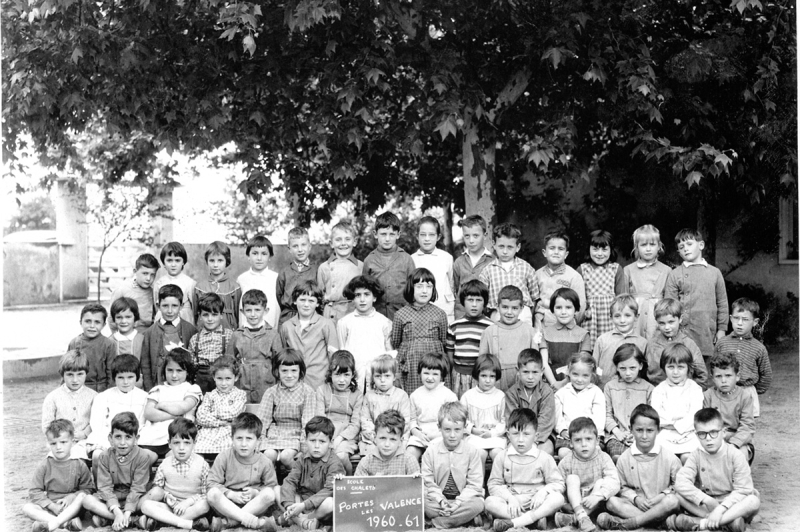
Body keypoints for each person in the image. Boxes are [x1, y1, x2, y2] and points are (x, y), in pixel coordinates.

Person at [672, 408, 761, 532]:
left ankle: (703, 523)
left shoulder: (735, 454)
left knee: (753, 500)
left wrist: (721, 508)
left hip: (731, 504)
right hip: (708, 504)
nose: (708, 438)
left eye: (713, 432)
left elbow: (743, 489)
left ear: (723, 432)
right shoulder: (696, 455)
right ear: (696, 435)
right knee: (678, 495)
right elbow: (681, 482)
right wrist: (705, 499)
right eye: (702, 434)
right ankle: (729, 523)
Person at [598, 404, 682, 530]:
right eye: (639, 430)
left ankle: (629, 523)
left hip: (662, 505)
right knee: (612, 502)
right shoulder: (623, 459)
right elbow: (621, 487)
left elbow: (679, 486)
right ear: (630, 429)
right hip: (636, 506)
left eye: (649, 430)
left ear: (658, 430)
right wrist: (635, 498)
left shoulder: (670, 458)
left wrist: (661, 496)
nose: (644, 436)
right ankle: (659, 524)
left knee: (672, 500)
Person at [485, 408, 566, 532]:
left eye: (526, 434)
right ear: (508, 435)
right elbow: (494, 484)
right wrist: (510, 498)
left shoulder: (544, 457)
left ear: (536, 436)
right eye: (516, 433)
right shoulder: (502, 457)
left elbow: (558, 483)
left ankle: (516, 522)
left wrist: (543, 492)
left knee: (558, 498)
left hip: (536, 503)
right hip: (512, 503)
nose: (521, 439)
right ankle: (533, 520)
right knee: (490, 502)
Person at [81, 412, 158, 529]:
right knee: (87, 500)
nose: (122, 443)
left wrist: (127, 511)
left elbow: (138, 488)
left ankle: (112, 518)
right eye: (118, 437)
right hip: (113, 500)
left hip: (136, 500)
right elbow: (105, 487)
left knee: (156, 493)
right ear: (110, 438)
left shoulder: (142, 457)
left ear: (136, 439)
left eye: (128, 437)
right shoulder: (104, 456)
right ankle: (131, 521)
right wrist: (117, 511)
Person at [664, 228, 729, 361]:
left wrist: (722, 329)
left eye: (689, 244)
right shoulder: (675, 274)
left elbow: (722, 303)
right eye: (681, 247)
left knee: (706, 371)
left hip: (707, 330)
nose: (685, 249)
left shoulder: (714, 273)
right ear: (678, 252)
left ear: (701, 245)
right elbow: (670, 306)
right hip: (683, 332)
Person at [206, 413, 279, 531]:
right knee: (212, 493)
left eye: (249, 438)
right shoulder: (224, 457)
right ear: (232, 438)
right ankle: (257, 523)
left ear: (258, 441)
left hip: (254, 506)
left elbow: (271, 486)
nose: (244, 444)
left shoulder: (265, 461)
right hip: (227, 506)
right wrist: (230, 494)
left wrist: (255, 492)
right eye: (239, 438)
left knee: (269, 494)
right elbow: (211, 483)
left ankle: (228, 522)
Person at [421, 402, 486, 529]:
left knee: (479, 504)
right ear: (439, 427)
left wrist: (458, 503)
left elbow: (475, 484)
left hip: (463, 501)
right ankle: (462, 519)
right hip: (437, 502)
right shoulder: (431, 451)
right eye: (447, 429)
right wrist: (441, 501)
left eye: (457, 430)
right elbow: (427, 483)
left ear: (465, 428)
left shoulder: (472, 451)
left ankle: (437, 522)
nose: (452, 435)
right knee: (422, 502)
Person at [139, 418, 211, 530]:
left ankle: (163, 521)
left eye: (187, 443)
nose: (181, 448)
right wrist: (167, 497)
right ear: (169, 444)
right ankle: (187, 523)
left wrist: (188, 502)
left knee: (205, 505)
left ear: (194, 444)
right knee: (146, 505)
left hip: (192, 507)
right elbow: (158, 489)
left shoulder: (202, 464)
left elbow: (205, 493)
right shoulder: (164, 464)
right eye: (176, 443)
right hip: (170, 507)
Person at [275, 416, 345, 530]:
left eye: (322, 441)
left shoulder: (335, 463)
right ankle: (301, 521)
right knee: (277, 489)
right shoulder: (303, 458)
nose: (316, 446)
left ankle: (297, 519)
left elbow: (329, 490)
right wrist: (289, 505)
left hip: (319, 508)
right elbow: (290, 480)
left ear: (331, 443)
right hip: (301, 502)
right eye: (312, 441)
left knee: (330, 502)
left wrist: (304, 506)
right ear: (306, 440)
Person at [23, 419, 94, 532]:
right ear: (48, 443)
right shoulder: (45, 465)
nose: (58, 447)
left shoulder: (79, 464)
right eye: (53, 443)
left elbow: (88, 489)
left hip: (72, 508)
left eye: (63, 442)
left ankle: (52, 524)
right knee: (27, 508)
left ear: (72, 441)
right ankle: (64, 524)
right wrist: (51, 506)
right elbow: (34, 491)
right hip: (51, 507)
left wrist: (73, 496)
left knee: (82, 498)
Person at [555, 417, 621, 532]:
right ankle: (582, 516)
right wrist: (563, 502)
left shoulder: (603, 457)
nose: (584, 444)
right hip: (574, 503)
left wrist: (598, 496)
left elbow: (614, 481)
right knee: (572, 478)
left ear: (597, 441)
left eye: (588, 439)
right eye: (578, 440)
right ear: (570, 443)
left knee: (601, 482)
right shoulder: (567, 460)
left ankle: (575, 519)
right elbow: (557, 483)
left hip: (595, 503)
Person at [256, 349, 317, 470]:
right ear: (277, 371)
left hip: (296, 435)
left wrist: (304, 447)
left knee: (286, 456)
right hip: (275, 434)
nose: (289, 375)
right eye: (284, 371)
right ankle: (271, 483)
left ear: (300, 371)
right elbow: (262, 420)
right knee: (268, 455)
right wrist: (259, 441)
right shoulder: (271, 392)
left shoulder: (307, 392)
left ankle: (297, 481)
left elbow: (307, 423)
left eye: (294, 370)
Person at [391, 267, 449, 393]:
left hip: (434, 361)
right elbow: (395, 342)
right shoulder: (400, 314)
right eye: (419, 286)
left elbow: (444, 340)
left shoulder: (440, 314)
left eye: (428, 287)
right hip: (410, 363)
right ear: (411, 288)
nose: (424, 291)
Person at [138, 348, 202, 457]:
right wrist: (177, 416)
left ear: (188, 372)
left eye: (179, 370)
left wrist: (161, 405)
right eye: (170, 370)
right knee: (143, 459)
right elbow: (149, 413)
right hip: (152, 438)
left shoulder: (191, 389)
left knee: (173, 459)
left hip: (179, 438)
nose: (174, 375)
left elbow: (182, 408)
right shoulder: (158, 389)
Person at [714, 297, 772, 418]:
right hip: (724, 391)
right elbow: (714, 368)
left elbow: (765, 374)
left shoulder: (758, 348)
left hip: (747, 391)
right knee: (724, 426)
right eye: (736, 318)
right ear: (730, 318)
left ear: (755, 322)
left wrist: (753, 390)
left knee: (746, 429)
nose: (739, 323)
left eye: (745, 319)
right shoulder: (722, 343)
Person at [336, 275, 393, 390]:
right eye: (358, 295)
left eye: (367, 294)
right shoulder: (344, 322)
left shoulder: (384, 322)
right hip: (354, 376)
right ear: (353, 298)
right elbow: (342, 350)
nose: (362, 300)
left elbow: (389, 352)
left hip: (377, 376)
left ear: (374, 297)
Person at [279, 280, 339, 388]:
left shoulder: (326, 324)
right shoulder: (286, 326)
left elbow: (333, 356)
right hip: (294, 384)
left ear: (318, 303)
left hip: (319, 382)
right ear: (295, 301)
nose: (306, 304)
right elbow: (284, 356)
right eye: (302, 300)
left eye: (311, 301)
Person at [479, 285, 540, 391]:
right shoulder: (489, 331)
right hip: (496, 384)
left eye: (515, 308)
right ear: (498, 306)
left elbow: (535, 362)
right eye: (505, 307)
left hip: (522, 383)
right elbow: (482, 363)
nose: (509, 312)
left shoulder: (530, 331)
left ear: (521, 308)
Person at [651, 344, 704, 463]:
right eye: (670, 367)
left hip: (689, 433)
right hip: (665, 433)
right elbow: (657, 415)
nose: (675, 372)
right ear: (664, 367)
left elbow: (694, 415)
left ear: (688, 368)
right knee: (662, 456)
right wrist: (673, 422)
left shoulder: (694, 389)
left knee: (689, 456)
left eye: (680, 367)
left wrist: (674, 424)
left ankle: (688, 479)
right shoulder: (659, 390)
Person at [478, 222, 539, 325]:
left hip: (522, 314)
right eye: (501, 246)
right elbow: (482, 298)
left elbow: (535, 297)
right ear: (494, 245)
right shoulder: (487, 270)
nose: (505, 251)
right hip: (497, 314)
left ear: (518, 247)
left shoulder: (526, 268)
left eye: (510, 247)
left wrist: (527, 313)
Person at [85, 355, 148, 454]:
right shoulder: (102, 397)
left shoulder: (144, 398)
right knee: (98, 455)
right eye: (121, 378)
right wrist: (113, 441)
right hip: (106, 440)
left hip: (133, 441)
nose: (126, 382)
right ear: (114, 377)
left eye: (130, 377)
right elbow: (97, 425)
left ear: (137, 377)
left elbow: (143, 425)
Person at [141, 284, 198, 391]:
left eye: (174, 306)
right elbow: (145, 366)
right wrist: (150, 389)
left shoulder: (191, 330)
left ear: (181, 306)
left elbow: (193, 363)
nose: (170, 311)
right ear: (158, 306)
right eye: (165, 306)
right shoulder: (149, 333)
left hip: (183, 388)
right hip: (158, 387)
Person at [42, 351, 97, 460]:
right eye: (70, 375)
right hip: (60, 442)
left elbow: (98, 422)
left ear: (86, 373)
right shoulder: (53, 397)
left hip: (86, 441)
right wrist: (62, 437)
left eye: (80, 374)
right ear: (62, 374)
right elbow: (47, 425)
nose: (75, 380)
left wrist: (84, 433)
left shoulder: (94, 396)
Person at [231, 288, 283, 403]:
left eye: (257, 310)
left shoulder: (273, 334)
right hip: (242, 384)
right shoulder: (237, 335)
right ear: (242, 311)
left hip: (266, 385)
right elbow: (229, 361)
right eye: (248, 310)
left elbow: (279, 363)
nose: (253, 314)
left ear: (265, 311)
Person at [603, 344, 653, 463]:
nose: (628, 373)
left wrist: (637, 435)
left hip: (642, 434)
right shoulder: (610, 387)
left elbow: (652, 418)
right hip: (616, 435)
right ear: (617, 367)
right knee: (618, 457)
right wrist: (618, 432)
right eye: (623, 368)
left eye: (632, 368)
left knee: (643, 457)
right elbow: (606, 414)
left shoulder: (648, 388)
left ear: (640, 366)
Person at [315, 350, 363, 475]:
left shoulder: (357, 395)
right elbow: (320, 417)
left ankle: (349, 478)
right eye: (337, 375)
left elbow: (356, 423)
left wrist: (340, 438)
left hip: (346, 436)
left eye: (346, 375)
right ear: (330, 374)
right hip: (324, 433)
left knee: (340, 455)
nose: (342, 380)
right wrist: (328, 437)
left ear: (353, 375)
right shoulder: (322, 390)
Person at [362, 210, 416, 320]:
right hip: (375, 316)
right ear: (375, 234)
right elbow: (364, 290)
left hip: (402, 316)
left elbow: (413, 289)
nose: (387, 239)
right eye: (383, 234)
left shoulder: (406, 259)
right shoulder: (369, 260)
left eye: (391, 234)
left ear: (398, 235)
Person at [703, 353, 756, 463]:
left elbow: (747, 426)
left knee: (740, 455)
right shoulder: (708, 395)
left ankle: (740, 480)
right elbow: (705, 422)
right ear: (712, 378)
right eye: (718, 376)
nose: (723, 380)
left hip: (738, 438)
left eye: (728, 375)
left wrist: (734, 443)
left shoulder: (744, 396)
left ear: (737, 376)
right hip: (714, 437)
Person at [445, 279, 494, 397]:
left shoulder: (490, 326)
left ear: (485, 303)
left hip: (481, 376)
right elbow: (450, 354)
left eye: (479, 300)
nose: (474, 304)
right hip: (459, 376)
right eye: (470, 300)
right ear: (463, 301)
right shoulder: (454, 326)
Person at [646, 298, 708, 388]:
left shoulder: (689, 344)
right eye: (662, 323)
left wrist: (691, 392)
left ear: (680, 319)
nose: (667, 327)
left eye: (671, 322)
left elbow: (702, 375)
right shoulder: (652, 345)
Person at [623, 224, 671, 340]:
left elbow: (669, 300)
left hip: (657, 317)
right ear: (637, 247)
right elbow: (624, 299)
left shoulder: (667, 270)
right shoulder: (628, 270)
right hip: (636, 318)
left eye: (652, 244)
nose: (648, 249)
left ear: (659, 246)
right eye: (643, 245)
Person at [554, 353, 606, 460]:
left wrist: (594, 433)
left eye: (585, 376)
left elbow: (599, 416)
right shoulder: (562, 393)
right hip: (568, 436)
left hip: (590, 435)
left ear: (592, 375)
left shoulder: (596, 392)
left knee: (596, 452)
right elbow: (557, 416)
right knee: (564, 453)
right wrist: (562, 430)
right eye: (575, 374)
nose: (580, 379)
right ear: (569, 373)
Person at [195, 356, 247, 460]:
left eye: (228, 378)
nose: (224, 383)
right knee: (197, 449)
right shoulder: (210, 395)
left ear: (235, 377)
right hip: (208, 432)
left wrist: (212, 413)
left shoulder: (240, 395)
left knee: (231, 449)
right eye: (219, 378)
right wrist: (221, 422)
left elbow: (233, 413)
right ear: (214, 377)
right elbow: (201, 417)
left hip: (229, 431)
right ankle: (202, 472)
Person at [504, 348, 556, 455]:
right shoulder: (512, 393)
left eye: (535, 372)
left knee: (545, 451)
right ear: (518, 371)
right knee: (512, 451)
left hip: (541, 436)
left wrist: (533, 441)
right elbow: (512, 420)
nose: (530, 377)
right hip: (519, 435)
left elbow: (546, 420)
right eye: (526, 372)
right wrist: (523, 439)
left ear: (542, 371)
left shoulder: (547, 392)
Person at [460, 354, 507, 470]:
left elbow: (504, 421)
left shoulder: (501, 396)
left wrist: (492, 433)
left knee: (497, 454)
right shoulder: (468, 396)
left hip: (495, 436)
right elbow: (461, 419)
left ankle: (497, 484)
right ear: (477, 376)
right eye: (483, 376)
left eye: (492, 376)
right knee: (479, 454)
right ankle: (478, 486)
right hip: (475, 436)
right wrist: (473, 430)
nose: (488, 380)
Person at [579, 230, 625, 349]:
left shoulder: (616, 269)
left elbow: (621, 298)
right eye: (595, 249)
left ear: (611, 250)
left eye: (604, 249)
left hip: (609, 318)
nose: (599, 253)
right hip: (590, 319)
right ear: (588, 249)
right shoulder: (582, 269)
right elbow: (578, 298)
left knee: (610, 347)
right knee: (589, 349)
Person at [407, 353, 458, 461]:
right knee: (410, 454)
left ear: (442, 375)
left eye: (435, 374)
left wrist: (442, 433)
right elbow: (412, 420)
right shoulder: (415, 395)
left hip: (441, 436)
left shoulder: (449, 396)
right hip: (420, 436)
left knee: (437, 456)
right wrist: (417, 433)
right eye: (426, 373)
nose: (430, 378)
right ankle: (414, 476)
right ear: (420, 373)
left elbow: (454, 421)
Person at [539, 287, 591, 390]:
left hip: (575, 384)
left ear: (576, 309)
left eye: (568, 307)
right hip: (550, 385)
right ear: (552, 310)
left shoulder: (583, 334)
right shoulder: (545, 333)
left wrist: (565, 382)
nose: (563, 312)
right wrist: (554, 383)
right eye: (558, 307)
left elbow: (582, 364)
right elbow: (543, 362)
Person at [360, 354, 414, 453]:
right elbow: (365, 419)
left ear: (394, 376)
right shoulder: (369, 396)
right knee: (371, 452)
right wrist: (376, 437)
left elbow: (405, 421)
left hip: (396, 436)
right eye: (378, 376)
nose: (382, 380)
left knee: (399, 451)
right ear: (373, 377)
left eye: (387, 376)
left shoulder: (401, 396)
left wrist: (391, 436)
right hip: (374, 438)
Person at [535, 230, 587, 329]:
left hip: (564, 326)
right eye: (552, 248)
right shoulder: (537, 275)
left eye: (561, 249)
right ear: (544, 252)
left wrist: (570, 325)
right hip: (540, 325)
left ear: (566, 254)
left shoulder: (573, 276)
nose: (556, 252)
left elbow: (580, 308)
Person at [592, 294, 647, 387]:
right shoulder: (602, 340)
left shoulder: (643, 343)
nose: (622, 320)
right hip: (604, 388)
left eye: (627, 315)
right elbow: (593, 367)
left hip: (632, 390)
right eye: (617, 316)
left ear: (636, 317)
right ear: (611, 318)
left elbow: (645, 371)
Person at [413, 215, 456, 323]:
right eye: (423, 235)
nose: (427, 239)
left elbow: (452, 284)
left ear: (438, 237)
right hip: (420, 313)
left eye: (431, 235)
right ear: (417, 236)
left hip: (445, 310)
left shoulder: (447, 258)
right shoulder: (411, 259)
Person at [317, 221, 363, 321]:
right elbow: (319, 296)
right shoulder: (324, 267)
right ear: (331, 243)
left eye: (347, 239)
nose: (343, 243)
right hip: (331, 314)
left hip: (354, 312)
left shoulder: (360, 266)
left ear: (354, 242)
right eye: (338, 240)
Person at [189, 292, 234, 393]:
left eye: (214, 315)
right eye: (205, 315)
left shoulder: (229, 335)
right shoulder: (195, 339)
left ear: (221, 315)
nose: (210, 319)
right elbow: (192, 364)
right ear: (200, 316)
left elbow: (233, 361)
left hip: (221, 379)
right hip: (201, 379)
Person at [66, 302, 115, 393]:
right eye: (88, 321)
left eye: (97, 322)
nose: (92, 326)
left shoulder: (108, 344)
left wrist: (109, 395)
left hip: (100, 390)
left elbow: (111, 374)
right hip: (78, 389)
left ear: (104, 325)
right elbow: (66, 370)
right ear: (81, 322)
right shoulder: (74, 343)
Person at [452, 215, 494, 320]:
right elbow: (456, 288)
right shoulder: (459, 262)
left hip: (485, 316)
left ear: (485, 235)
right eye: (467, 236)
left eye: (475, 236)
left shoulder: (492, 261)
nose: (471, 241)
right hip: (462, 315)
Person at [193, 241, 241, 330]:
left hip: (228, 330)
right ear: (207, 261)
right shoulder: (199, 287)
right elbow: (196, 314)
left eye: (220, 260)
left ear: (227, 261)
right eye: (211, 260)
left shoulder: (234, 287)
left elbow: (238, 314)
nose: (215, 265)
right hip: (205, 331)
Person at [355, 409, 420, 475]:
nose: (387, 444)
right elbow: (358, 484)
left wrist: (416, 480)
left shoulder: (409, 461)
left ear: (401, 441)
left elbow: (416, 484)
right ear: (375, 437)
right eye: (382, 438)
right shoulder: (366, 462)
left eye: (393, 439)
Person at [277, 227, 319, 325]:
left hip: (310, 317)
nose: (300, 250)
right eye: (295, 246)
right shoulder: (284, 272)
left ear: (309, 246)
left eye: (303, 245)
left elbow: (319, 295)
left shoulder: (317, 270)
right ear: (289, 249)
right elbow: (279, 295)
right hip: (288, 317)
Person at [237, 234, 280, 329]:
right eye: (255, 253)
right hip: (246, 332)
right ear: (248, 256)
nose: (259, 258)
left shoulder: (276, 278)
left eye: (264, 254)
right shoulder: (242, 279)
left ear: (270, 257)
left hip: (270, 330)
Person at [109, 253, 159, 332]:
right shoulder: (122, 289)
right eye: (145, 273)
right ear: (135, 271)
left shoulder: (154, 291)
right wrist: (117, 336)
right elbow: (112, 317)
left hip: (148, 334)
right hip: (127, 334)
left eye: (152, 275)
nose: (149, 278)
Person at [152, 241, 196, 325]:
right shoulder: (159, 283)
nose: (173, 264)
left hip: (184, 319)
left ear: (183, 262)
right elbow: (156, 305)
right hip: (163, 318)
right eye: (169, 260)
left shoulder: (190, 283)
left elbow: (194, 307)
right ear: (163, 262)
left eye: (177, 260)